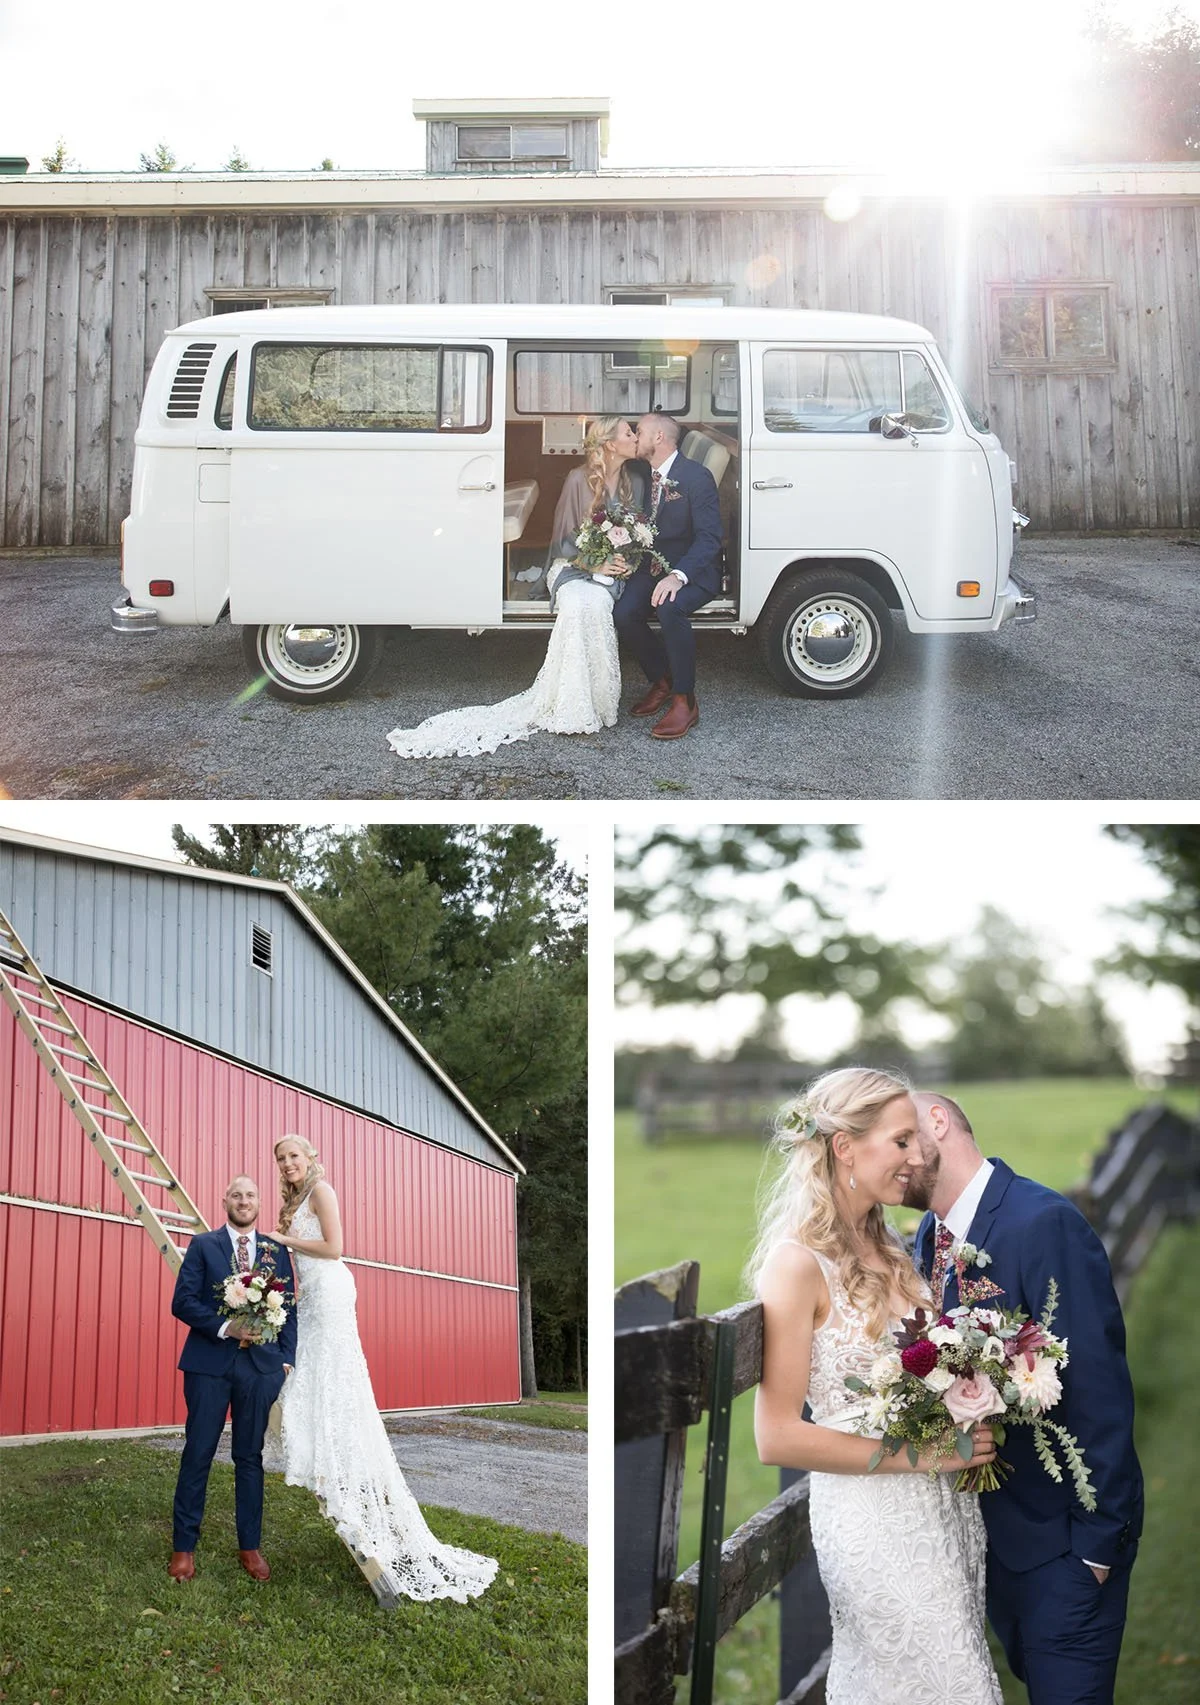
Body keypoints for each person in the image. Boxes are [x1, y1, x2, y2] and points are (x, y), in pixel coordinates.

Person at [750, 1067, 1003, 1705]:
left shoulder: (892, 1246)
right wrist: (926, 1453)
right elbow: (776, 1436)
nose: (917, 1158)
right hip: (873, 1525)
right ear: (844, 1147)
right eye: (900, 1142)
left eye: (916, 1141)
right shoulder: (796, 1264)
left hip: (943, 1514)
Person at [904, 1092, 1143, 1705]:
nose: (895, 1158)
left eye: (902, 1138)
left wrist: (1098, 1545)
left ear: (938, 1121)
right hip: (989, 1548)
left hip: (1065, 1544)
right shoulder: (930, 1236)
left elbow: (1099, 1388)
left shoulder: (1043, 1221)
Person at [266, 1134, 497, 1602]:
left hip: (332, 1291)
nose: (288, 1163)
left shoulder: (321, 1192)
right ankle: (322, 1443)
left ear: (312, 1157)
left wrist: (285, 1238)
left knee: (328, 1371)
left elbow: (333, 1248)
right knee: (315, 1370)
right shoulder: (296, 1198)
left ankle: (327, 1447)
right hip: (313, 1296)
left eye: (294, 1155)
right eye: (281, 1158)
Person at [386, 417, 646, 758]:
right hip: (572, 566)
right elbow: (563, 539)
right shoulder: (578, 479)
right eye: (629, 433)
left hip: (612, 572)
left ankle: (598, 704)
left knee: (597, 606)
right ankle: (570, 702)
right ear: (610, 444)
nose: (636, 438)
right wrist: (592, 563)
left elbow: (639, 535)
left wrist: (627, 561)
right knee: (578, 605)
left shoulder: (635, 481)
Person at [168, 1174, 297, 1582]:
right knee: (198, 1452)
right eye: (237, 1195)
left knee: (249, 1457)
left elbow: (290, 1306)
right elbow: (183, 1302)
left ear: (259, 1203)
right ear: (225, 1200)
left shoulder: (275, 1249)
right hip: (209, 1365)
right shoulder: (205, 1245)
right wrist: (227, 1329)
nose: (244, 1201)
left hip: (259, 1369)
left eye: (251, 1195)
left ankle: (250, 1547)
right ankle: (183, 1548)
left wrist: (286, 1360)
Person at [612, 412, 723, 741]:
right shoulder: (646, 474)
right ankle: (661, 680)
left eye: (640, 431)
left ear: (658, 438)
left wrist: (678, 576)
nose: (635, 436)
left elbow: (709, 539)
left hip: (694, 571)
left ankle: (684, 700)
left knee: (670, 608)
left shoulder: (696, 477)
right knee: (623, 613)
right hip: (653, 566)